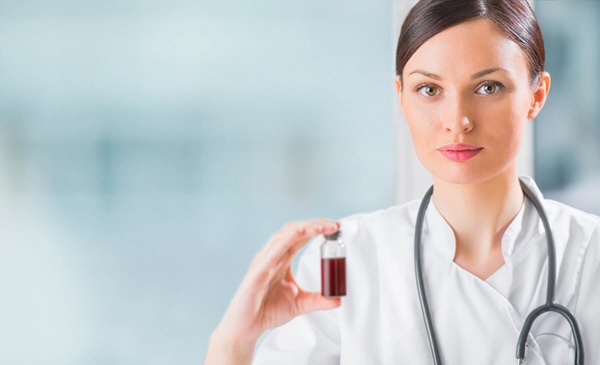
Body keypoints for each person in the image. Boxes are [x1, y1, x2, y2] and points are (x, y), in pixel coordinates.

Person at [204, 0, 600, 363]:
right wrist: (233, 340)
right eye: (429, 90)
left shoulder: (590, 254)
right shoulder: (349, 262)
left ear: (537, 95)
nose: (457, 119)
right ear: (401, 97)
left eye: (488, 87)